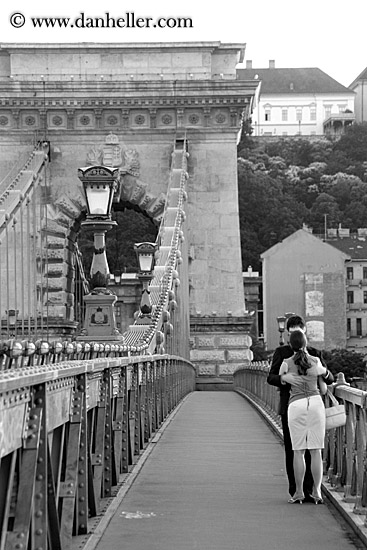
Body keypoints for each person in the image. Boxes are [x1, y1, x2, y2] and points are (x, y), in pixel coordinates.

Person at [266, 314, 333, 501]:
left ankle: (306, 492)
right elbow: (270, 378)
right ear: (288, 332)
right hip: (300, 405)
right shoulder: (283, 353)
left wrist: (324, 372)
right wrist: (282, 379)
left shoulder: (313, 354)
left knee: (298, 450)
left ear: (303, 331)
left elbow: (330, 376)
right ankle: (299, 488)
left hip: (294, 405)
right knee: (301, 449)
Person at [279, 330, 327, 504]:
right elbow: (324, 390)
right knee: (316, 451)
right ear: (306, 343)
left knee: (298, 451)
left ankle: (299, 492)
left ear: (290, 345)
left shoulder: (286, 363)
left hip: (296, 405)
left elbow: (283, 381)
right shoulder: (315, 362)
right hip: (315, 404)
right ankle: (317, 492)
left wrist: (285, 377)